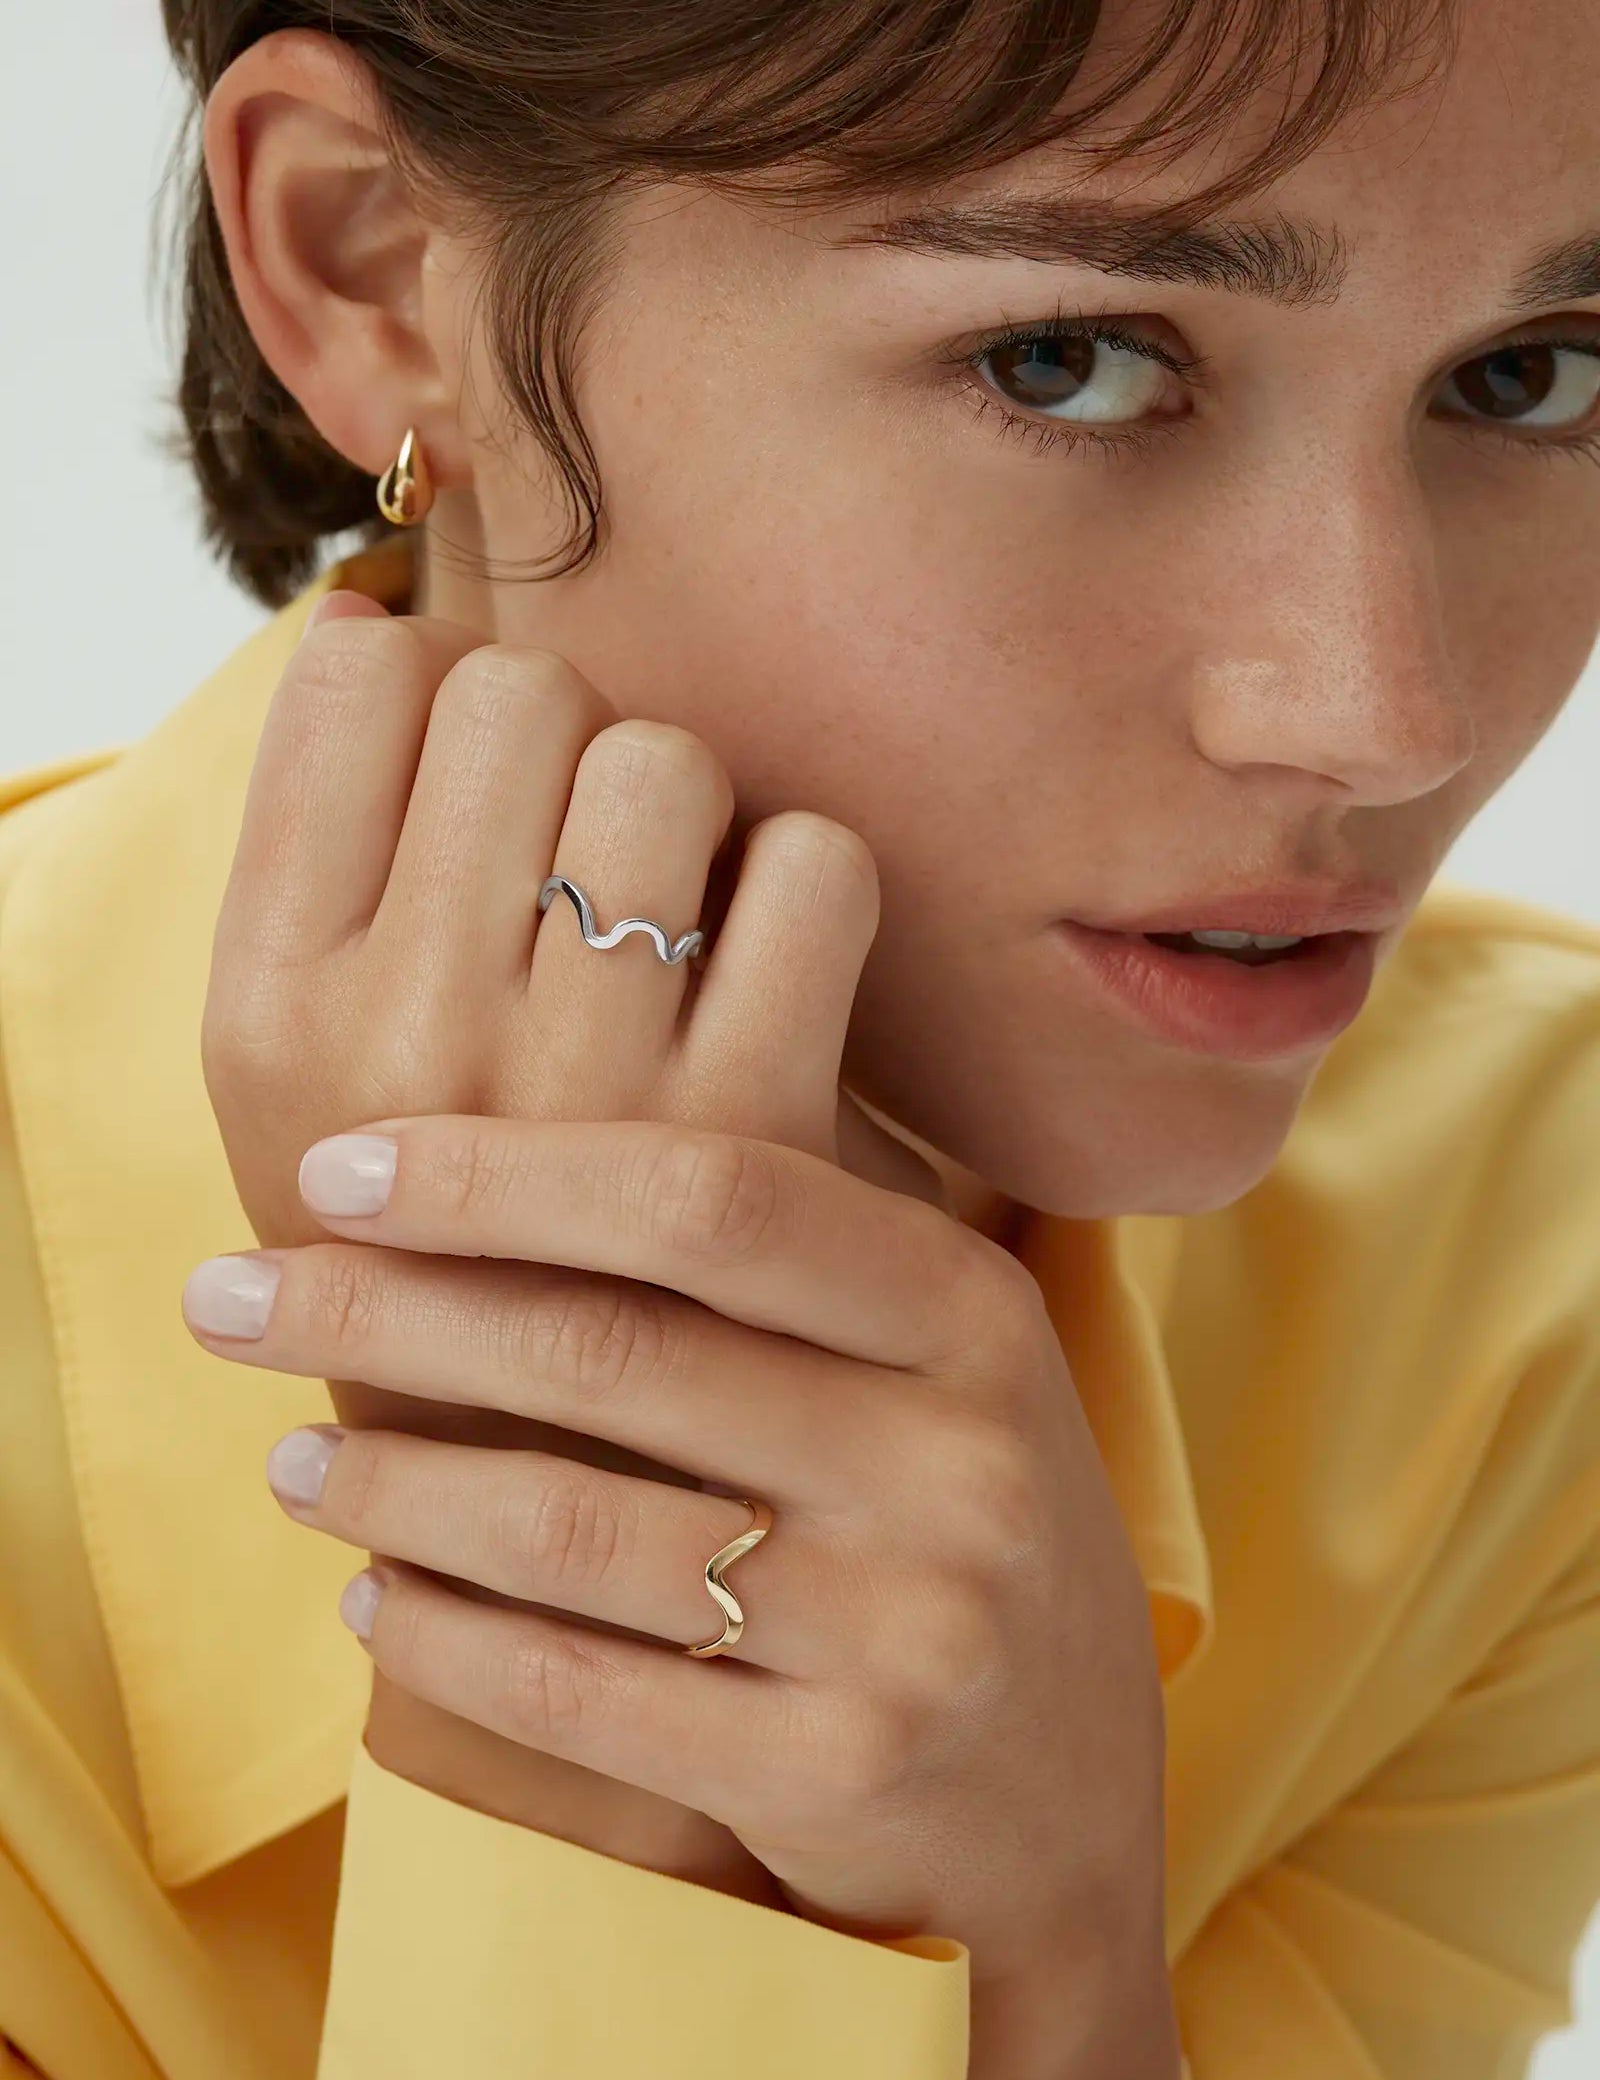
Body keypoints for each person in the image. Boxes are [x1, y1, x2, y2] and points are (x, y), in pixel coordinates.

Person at [3, 0, 1599, 2073]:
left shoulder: (1521, 1267)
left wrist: (1065, 1959)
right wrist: (583, 1730)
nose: (1383, 712)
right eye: (1069, 359)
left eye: (1532, 374)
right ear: (378, 268)